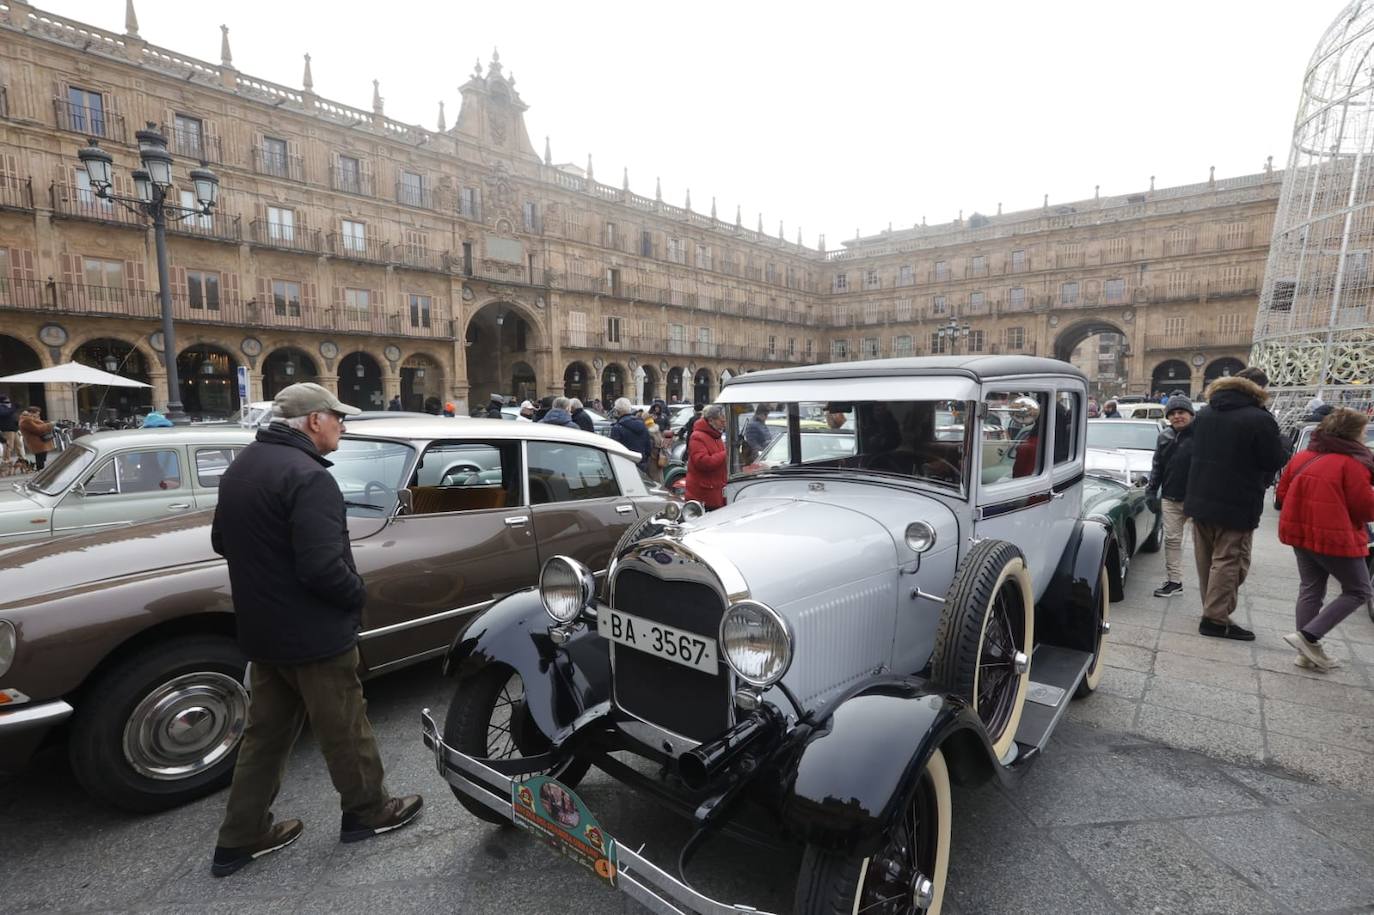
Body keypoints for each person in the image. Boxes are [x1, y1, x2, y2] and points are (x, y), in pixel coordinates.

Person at [208, 382, 421, 878]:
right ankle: (368, 811)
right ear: (312, 421)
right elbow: (323, 569)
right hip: (313, 633)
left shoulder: (243, 466)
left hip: (263, 630)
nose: (343, 425)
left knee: (265, 737)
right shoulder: (310, 477)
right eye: (337, 417)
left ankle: (239, 837)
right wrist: (358, 594)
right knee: (345, 727)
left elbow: (223, 540)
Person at [1184, 367, 1290, 640]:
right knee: (1229, 561)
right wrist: (1284, 444)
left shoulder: (1205, 413)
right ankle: (1216, 619)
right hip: (1237, 502)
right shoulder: (1259, 419)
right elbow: (1272, 460)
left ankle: (1213, 610)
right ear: (1258, 390)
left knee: (1207, 559)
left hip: (1200, 497)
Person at [1274, 407, 1374, 671]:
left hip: (1300, 533)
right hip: (1334, 536)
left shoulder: (1303, 457)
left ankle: (1306, 653)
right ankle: (1308, 636)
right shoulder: (1353, 463)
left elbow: (1282, 492)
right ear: (1353, 433)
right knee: (1359, 590)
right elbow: (1365, 509)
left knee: (1311, 588)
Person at [1147, 396, 1196, 598]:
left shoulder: (1204, 435)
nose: (1177, 416)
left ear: (1191, 414)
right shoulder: (1164, 436)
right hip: (1170, 497)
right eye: (1173, 414)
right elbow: (1157, 466)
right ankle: (1174, 581)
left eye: (1181, 412)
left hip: (1197, 498)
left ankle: (1212, 585)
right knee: (1172, 540)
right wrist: (1151, 490)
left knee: (1204, 544)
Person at [685, 403, 728, 509]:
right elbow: (703, 462)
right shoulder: (697, 437)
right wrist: (726, 454)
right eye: (720, 419)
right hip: (704, 495)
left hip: (715, 492)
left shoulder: (716, 436)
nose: (723, 422)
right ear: (711, 420)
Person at [608, 397, 651, 470]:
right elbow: (648, 448)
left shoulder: (617, 428)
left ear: (617, 411)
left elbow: (614, 451)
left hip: (624, 465)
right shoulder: (642, 424)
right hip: (641, 464)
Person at [18, 405, 54, 470]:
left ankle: (40, 470)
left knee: (42, 457)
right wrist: (49, 425)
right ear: (31, 413)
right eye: (37, 414)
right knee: (40, 458)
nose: (38, 416)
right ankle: (39, 471)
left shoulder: (31, 419)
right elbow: (37, 429)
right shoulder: (26, 420)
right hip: (36, 441)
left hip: (39, 441)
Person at [644, 415, 666, 483]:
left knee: (653, 478)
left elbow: (649, 448)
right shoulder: (658, 431)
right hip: (660, 457)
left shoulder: (650, 434)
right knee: (660, 475)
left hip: (653, 458)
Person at [0, 395, 18, 468]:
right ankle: (6, 461)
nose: (8, 402)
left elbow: (11, 416)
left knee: (16, 445)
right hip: (7, 429)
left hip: (13, 429)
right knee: (8, 446)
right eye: (7, 400)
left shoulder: (7, 407)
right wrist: (14, 407)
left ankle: (21, 460)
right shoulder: (1, 408)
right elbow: (5, 414)